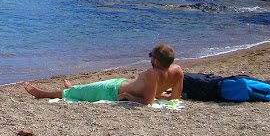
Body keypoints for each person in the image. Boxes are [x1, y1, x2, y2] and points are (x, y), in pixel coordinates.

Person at [22, 44, 184, 106]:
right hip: (120, 83)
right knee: (87, 89)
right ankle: (76, 88)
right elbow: (174, 98)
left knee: (78, 92)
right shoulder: (177, 71)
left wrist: (128, 96)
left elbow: (147, 102)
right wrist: (162, 95)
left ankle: (43, 94)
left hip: (114, 91)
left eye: (151, 56)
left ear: (156, 60)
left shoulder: (152, 73)